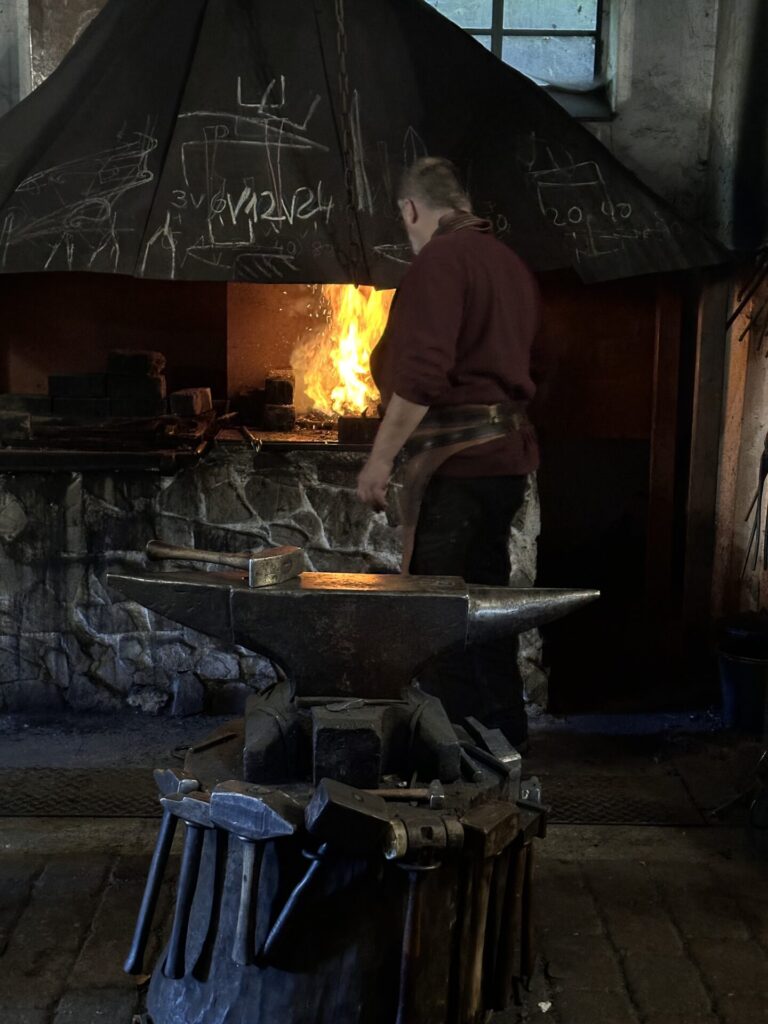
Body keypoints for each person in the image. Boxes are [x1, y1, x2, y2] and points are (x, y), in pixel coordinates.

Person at [356, 156, 541, 747]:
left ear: (412, 209)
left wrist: (380, 459)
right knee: (486, 608)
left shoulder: (439, 260)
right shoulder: (510, 264)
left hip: (457, 470)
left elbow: (421, 378)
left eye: (404, 222)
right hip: (506, 465)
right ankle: (506, 746)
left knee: (438, 620)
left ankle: (457, 762)